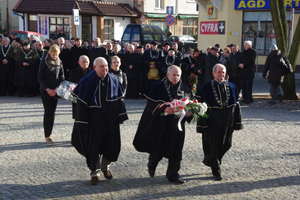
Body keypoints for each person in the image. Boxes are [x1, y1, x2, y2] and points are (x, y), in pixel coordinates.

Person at [71, 57, 128, 185]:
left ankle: (105, 167)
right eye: (101, 66)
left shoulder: (114, 80)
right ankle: (94, 173)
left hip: (110, 120)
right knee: (93, 147)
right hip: (93, 121)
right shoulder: (86, 81)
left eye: (106, 66)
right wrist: (82, 122)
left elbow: (120, 101)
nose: (105, 69)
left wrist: (120, 117)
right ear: (95, 67)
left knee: (112, 145)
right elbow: (78, 103)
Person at [133, 65, 193, 184]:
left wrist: (189, 113)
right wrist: (164, 109)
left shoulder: (185, 89)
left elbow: (191, 105)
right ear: (168, 75)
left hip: (178, 125)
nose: (176, 77)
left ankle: (173, 175)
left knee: (176, 149)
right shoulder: (157, 87)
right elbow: (151, 105)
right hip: (161, 124)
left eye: (178, 75)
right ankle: (152, 163)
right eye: (173, 75)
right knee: (158, 149)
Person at [195, 63, 243, 181]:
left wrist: (237, 122)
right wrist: (203, 125)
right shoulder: (205, 88)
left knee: (227, 143)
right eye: (219, 72)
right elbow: (201, 109)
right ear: (213, 73)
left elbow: (236, 106)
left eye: (223, 72)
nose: (221, 74)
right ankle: (216, 169)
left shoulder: (232, 86)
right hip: (213, 120)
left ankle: (211, 160)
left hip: (228, 119)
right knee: (214, 145)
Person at [38, 44, 65, 145]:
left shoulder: (60, 62)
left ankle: (50, 133)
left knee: (53, 113)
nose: (55, 57)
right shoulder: (44, 62)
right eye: (53, 55)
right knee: (48, 112)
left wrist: (57, 88)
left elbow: (62, 77)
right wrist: (48, 89)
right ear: (50, 53)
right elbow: (40, 77)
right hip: (45, 90)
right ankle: (47, 135)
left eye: (56, 55)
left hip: (56, 90)